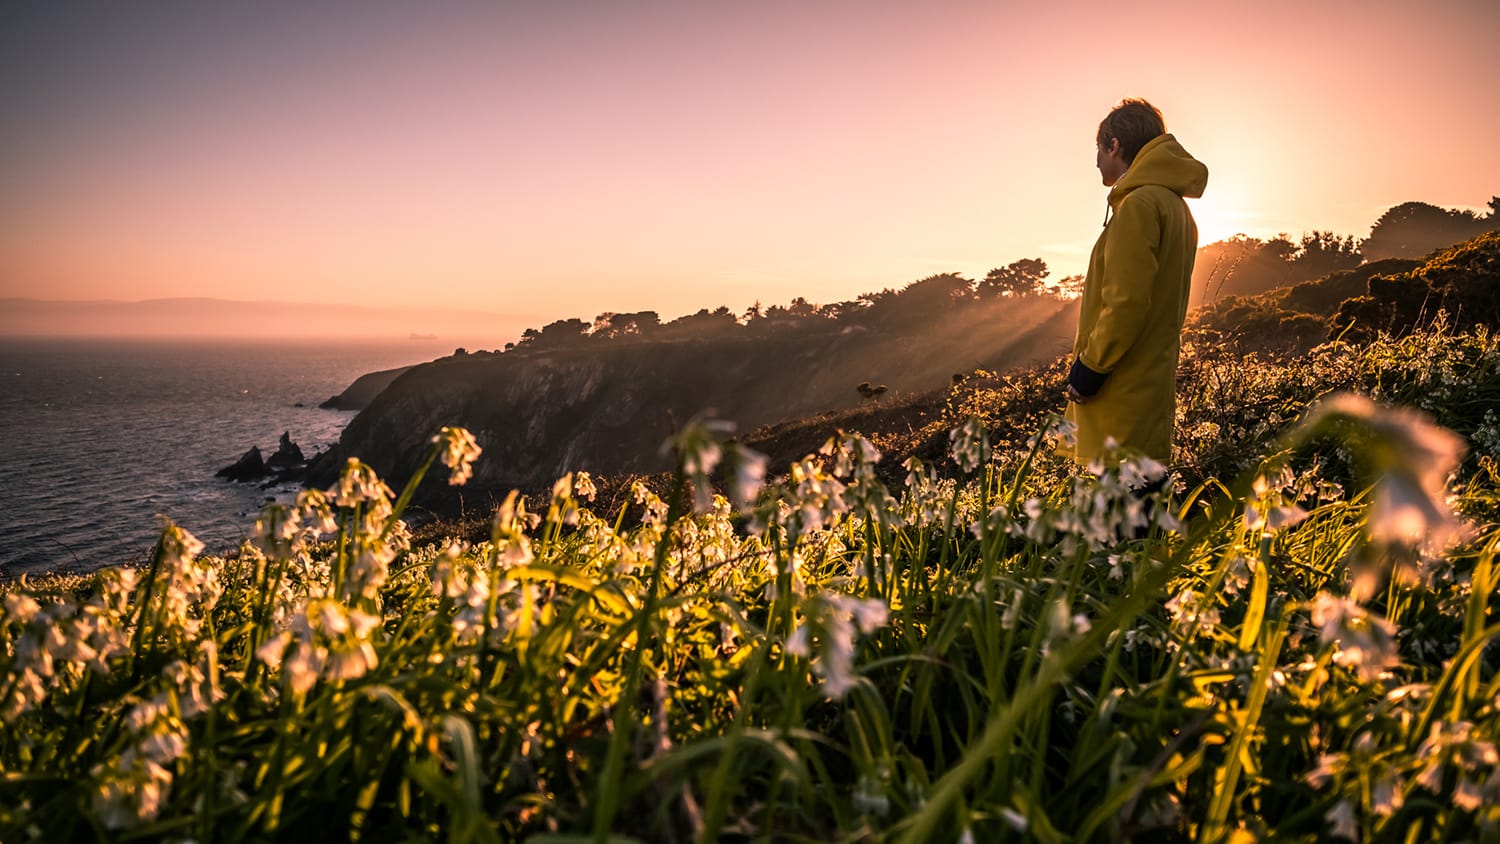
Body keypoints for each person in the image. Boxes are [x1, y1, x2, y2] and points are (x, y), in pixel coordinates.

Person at [1063, 98, 1208, 484]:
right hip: (1149, 384)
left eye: (1098, 148)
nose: (1096, 160)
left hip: (1120, 389)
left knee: (1120, 529)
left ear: (1114, 145)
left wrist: (1090, 369)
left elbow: (1125, 302)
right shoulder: (1173, 205)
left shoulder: (1139, 204)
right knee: (1146, 520)